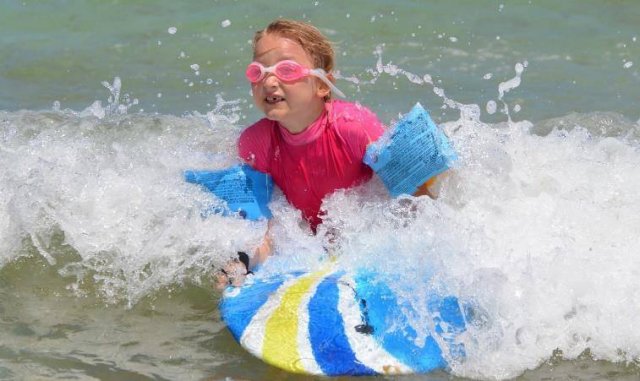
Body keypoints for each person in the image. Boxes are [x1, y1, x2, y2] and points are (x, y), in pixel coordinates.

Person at [215, 19, 439, 288]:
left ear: (322, 85)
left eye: (286, 69)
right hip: (304, 245)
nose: (270, 81)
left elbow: (415, 199)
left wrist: (418, 253)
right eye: (258, 72)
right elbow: (266, 224)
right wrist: (240, 263)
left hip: (363, 239)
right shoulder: (254, 143)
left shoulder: (354, 128)